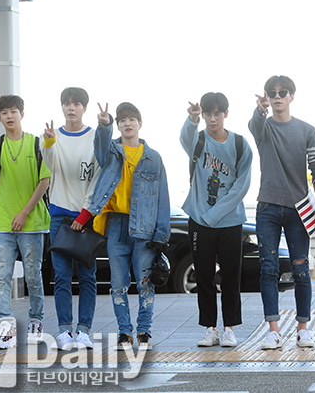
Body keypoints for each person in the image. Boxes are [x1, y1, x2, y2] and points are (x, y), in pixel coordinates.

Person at [249, 75, 315, 350]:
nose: (277, 96)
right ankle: (273, 330)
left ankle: (303, 329)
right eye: (272, 93)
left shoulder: (307, 130)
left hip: (299, 208)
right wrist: (260, 109)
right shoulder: (263, 127)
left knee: (301, 269)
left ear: (292, 96)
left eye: (283, 92)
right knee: (268, 269)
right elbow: (254, 123)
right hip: (267, 207)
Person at [90, 102, 170, 351]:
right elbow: (99, 151)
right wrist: (104, 126)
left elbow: (162, 198)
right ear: (118, 125)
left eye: (131, 119)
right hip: (116, 225)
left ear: (140, 123)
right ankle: (124, 332)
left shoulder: (153, 158)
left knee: (145, 282)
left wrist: (161, 232)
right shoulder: (112, 152)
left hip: (144, 227)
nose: (127, 123)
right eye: (122, 120)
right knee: (118, 284)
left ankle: (144, 331)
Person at [0, 95, 51, 349]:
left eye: (13, 111)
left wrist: (24, 213)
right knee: (2, 277)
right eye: (4, 113)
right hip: (1, 222)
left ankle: (36, 322)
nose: (9, 116)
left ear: (22, 114)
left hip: (33, 222)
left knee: (33, 276)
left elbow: (44, 181)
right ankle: (5, 329)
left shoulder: (35, 144)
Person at [180, 92, 252, 348]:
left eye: (217, 113)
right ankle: (210, 329)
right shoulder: (198, 140)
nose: (212, 118)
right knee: (204, 276)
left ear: (225, 114)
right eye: (208, 114)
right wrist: (192, 119)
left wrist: (214, 214)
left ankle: (229, 329)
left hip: (229, 221)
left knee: (231, 277)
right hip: (199, 221)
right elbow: (185, 137)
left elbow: (241, 186)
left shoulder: (240, 144)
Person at [41, 87, 101, 350]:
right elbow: (49, 166)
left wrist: (87, 212)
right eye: (67, 103)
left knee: (88, 277)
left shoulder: (95, 137)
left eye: (76, 103)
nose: (71, 108)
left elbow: (99, 178)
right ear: (62, 107)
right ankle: (64, 331)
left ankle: (84, 331)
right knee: (62, 277)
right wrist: (48, 143)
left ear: (84, 108)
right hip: (59, 217)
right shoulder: (52, 137)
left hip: (86, 217)